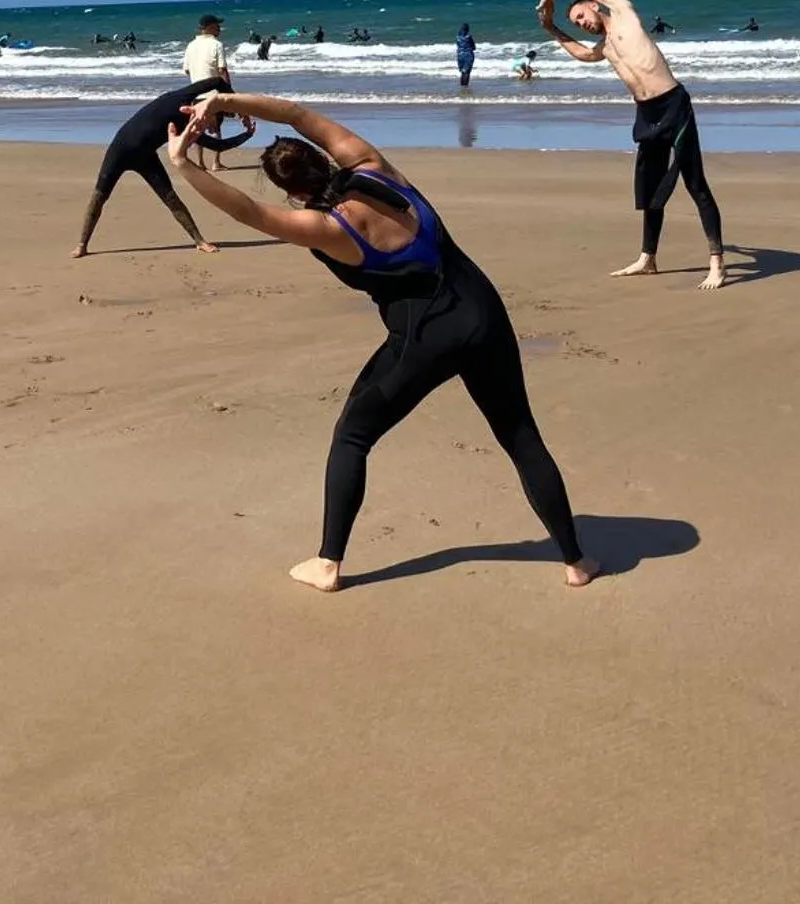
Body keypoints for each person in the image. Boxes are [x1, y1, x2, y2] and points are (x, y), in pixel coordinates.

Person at [168, 91, 595, 593]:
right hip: (484, 312)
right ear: (324, 158)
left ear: (294, 193)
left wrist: (183, 163)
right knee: (520, 435)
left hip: (426, 338)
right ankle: (575, 561)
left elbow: (249, 213)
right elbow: (299, 116)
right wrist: (224, 99)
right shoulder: (376, 168)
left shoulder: (325, 228)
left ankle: (328, 563)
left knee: (353, 436)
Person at [538, 0, 727, 291]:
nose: (582, 23)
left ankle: (717, 262)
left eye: (582, 16)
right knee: (650, 188)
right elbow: (584, 55)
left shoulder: (624, 13)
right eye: (576, 23)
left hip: (673, 106)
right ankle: (647, 259)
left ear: (594, 5)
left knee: (695, 183)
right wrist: (552, 29)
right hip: (647, 115)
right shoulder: (605, 47)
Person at [72, 79, 253, 257]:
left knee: (171, 198)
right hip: (119, 151)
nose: (207, 127)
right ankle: (82, 245)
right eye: (211, 123)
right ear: (209, 111)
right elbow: (218, 81)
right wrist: (239, 107)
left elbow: (217, 145)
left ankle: (199, 241)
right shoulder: (183, 96)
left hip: (146, 157)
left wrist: (247, 134)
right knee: (99, 197)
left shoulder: (188, 126)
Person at [182, 14, 231, 86]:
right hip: (214, 90)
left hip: (196, 90)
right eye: (217, 26)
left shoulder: (191, 45)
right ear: (211, 27)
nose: (219, 29)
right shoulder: (217, 44)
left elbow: (187, 70)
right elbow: (222, 71)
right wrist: (228, 90)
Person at [455, 24, 477, 88]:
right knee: (467, 72)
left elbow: (458, 45)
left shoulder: (457, 37)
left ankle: (462, 86)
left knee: (462, 72)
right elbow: (474, 47)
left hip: (460, 55)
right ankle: (465, 87)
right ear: (467, 29)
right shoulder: (468, 37)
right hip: (468, 55)